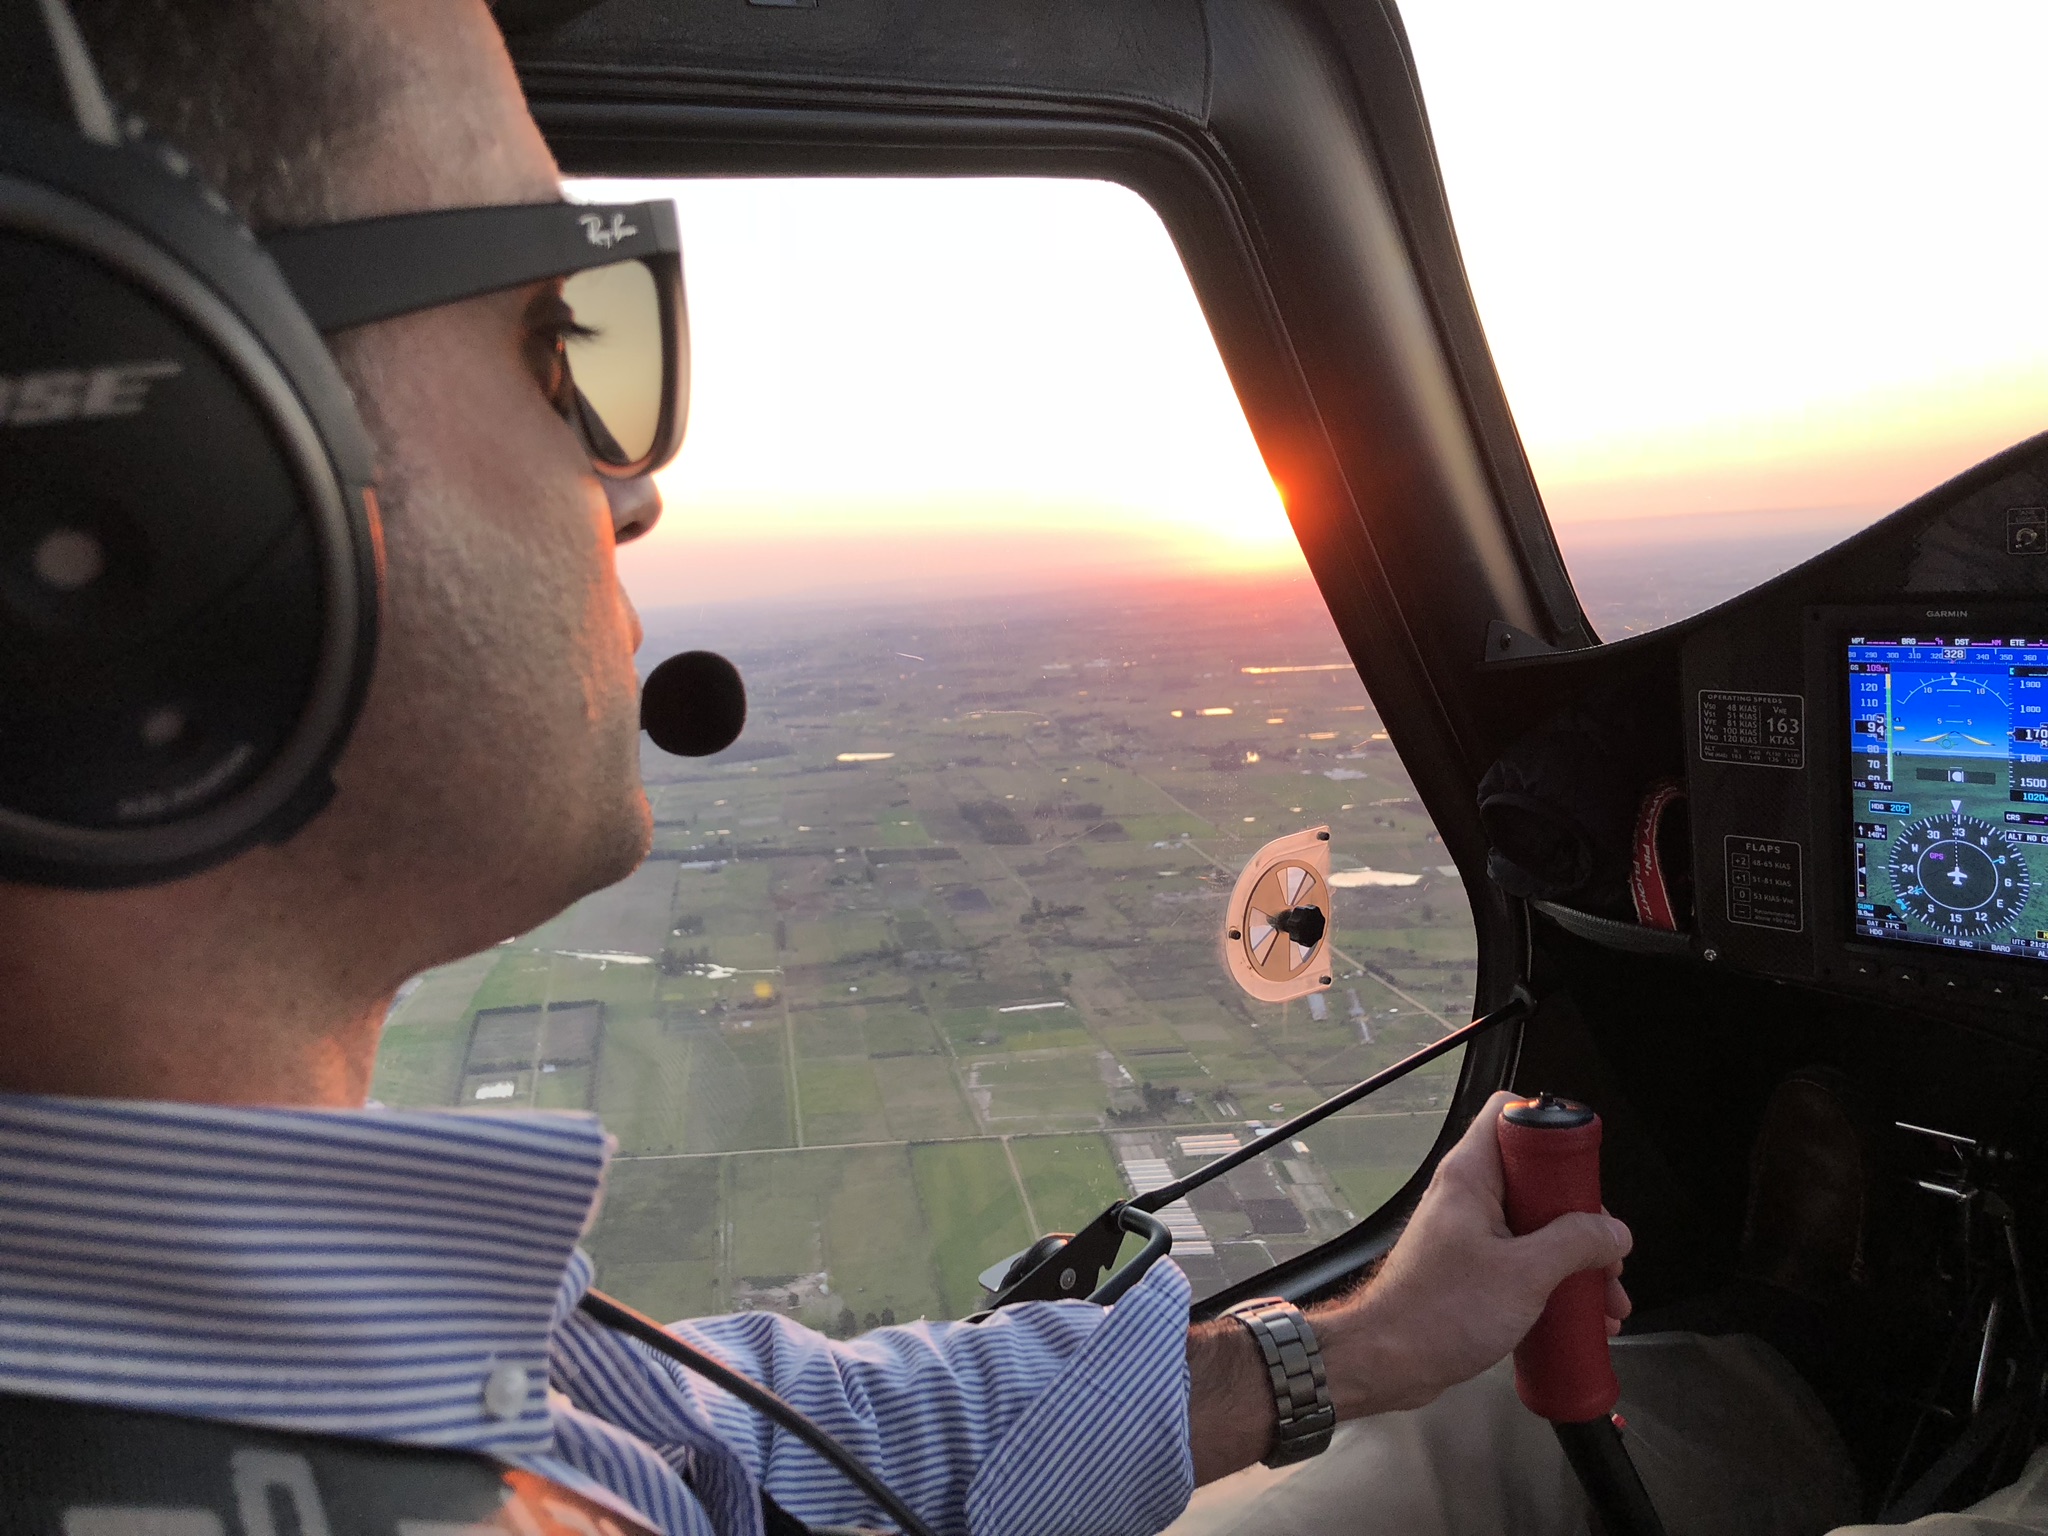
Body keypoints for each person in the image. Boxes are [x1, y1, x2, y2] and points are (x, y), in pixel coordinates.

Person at [0, 4, 1926, 1535]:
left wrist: (1339, 1349)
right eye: (575, 322)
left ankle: (1776, 1362)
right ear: (134, 484)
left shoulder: (303, 1303)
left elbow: (762, 1455)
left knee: (1500, 1449)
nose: (635, 481)